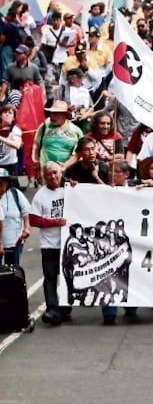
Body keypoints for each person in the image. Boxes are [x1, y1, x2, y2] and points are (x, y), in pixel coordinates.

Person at [29, 162, 70, 325]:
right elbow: (33, 219)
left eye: (55, 173)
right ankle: (52, 309)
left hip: (68, 243)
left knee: (68, 276)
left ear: (61, 172)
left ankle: (66, 307)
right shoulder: (41, 195)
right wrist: (54, 222)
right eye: (49, 174)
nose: (53, 177)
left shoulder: (70, 190)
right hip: (49, 244)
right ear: (44, 177)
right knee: (50, 277)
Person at [33, 99, 84, 171]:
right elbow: (36, 146)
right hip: (46, 172)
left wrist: (64, 166)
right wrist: (37, 166)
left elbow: (79, 153)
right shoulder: (44, 127)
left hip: (68, 172)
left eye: (57, 114)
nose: (53, 116)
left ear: (65, 115)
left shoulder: (76, 131)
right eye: (51, 113)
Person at [0, 168, 29, 266]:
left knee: (12, 272)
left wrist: (26, 228)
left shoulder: (15, 194)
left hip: (14, 240)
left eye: (1, 184)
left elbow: (26, 212)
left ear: (7, 183)